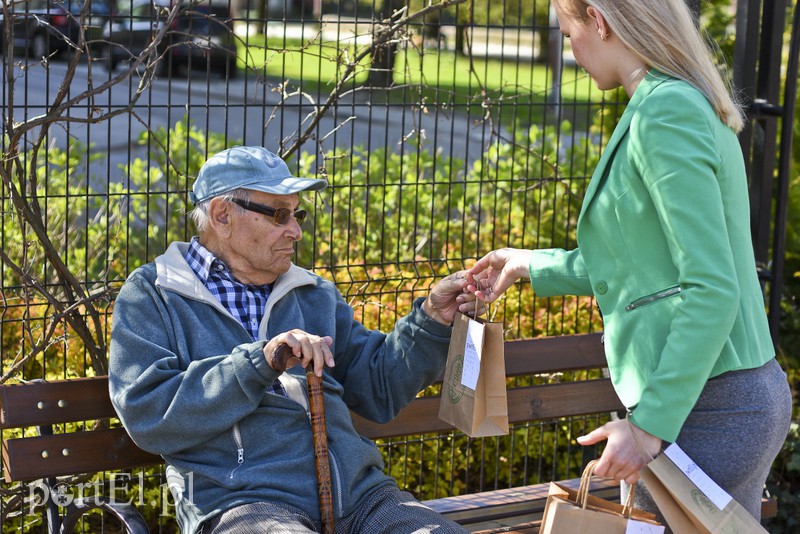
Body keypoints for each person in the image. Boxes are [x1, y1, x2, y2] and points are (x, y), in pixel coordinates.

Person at [466, 0, 792, 526]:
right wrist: (532, 265)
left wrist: (647, 428)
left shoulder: (666, 112)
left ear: (598, 19)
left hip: (709, 406)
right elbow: (642, 265)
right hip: (726, 397)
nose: (569, 50)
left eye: (568, 32)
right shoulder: (673, 103)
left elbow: (712, 289)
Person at [108, 146, 479, 534]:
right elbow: (148, 412)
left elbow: (379, 388)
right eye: (279, 215)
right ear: (222, 215)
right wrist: (258, 363)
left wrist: (432, 320)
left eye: (297, 214)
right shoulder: (154, 294)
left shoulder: (311, 292)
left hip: (362, 499)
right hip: (245, 504)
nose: (296, 231)